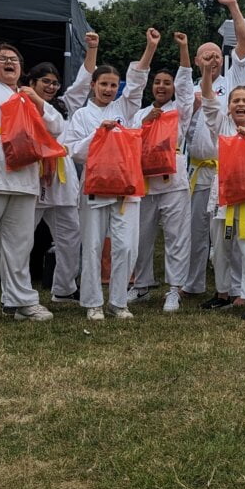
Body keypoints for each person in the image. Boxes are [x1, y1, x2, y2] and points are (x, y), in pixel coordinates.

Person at [0, 0, 59, 321]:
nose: (8, 62)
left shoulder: (26, 96)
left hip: (23, 174)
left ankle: (19, 301)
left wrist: (38, 103)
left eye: (14, 59)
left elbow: (54, 130)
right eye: (2, 59)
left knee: (20, 242)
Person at [63, 28, 159, 320]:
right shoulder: (81, 116)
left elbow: (138, 81)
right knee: (92, 246)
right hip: (94, 186)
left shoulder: (125, 108)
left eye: (112, 85)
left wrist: (150, 47)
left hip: (126, 187)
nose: (108, 89)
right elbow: (73, 150)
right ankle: (92, 302)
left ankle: (119, 302)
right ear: (93, 85)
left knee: (125, 246)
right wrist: (98, 136)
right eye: (103, 83)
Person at [183, 0, 245, 304]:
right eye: (205, 55)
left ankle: (236, 288)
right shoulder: (189, 90)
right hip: (197, 170)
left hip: (227, 169)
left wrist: (234, 7)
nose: (211, 59)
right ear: (197, 61)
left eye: (215, 55)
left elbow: (244, 43)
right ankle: (194, 283)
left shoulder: (233, 82)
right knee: (197, 232)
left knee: (232, 232)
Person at [19, 35, 98, 306]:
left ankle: (64, 288)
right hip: (32, 175)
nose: (51, 87)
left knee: (70, 236)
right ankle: (15, 292)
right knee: (22, 236)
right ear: (31, 83)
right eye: (45, 82)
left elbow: (85, 80)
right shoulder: (21, 104)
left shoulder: (64, 105)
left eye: (54, 82)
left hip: (62, 180)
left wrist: (92, 49)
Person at [201, 51, 245, 320]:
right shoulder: (220, 124)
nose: (240, 104)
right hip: (222, 195)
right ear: (228, 106)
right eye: (235, 101)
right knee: (220, 248)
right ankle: (223, 293)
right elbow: (208, 100)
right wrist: (208, 71)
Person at [128, 32, 194, 312]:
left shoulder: (180, 110)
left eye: (167, 83)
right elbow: (130, 140)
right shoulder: (139, 113)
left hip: (174, 180)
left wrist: (183, 48)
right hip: (145, 181)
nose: (162, 86)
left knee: (177, 236)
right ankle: (141, 285)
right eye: (158, 82)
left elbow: (186, 86)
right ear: (151, 87)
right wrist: (147, 121)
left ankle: (174, 288)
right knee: (141, 236)